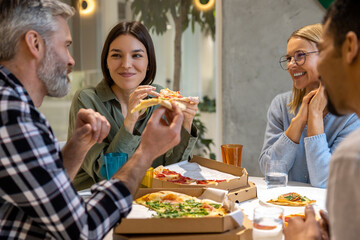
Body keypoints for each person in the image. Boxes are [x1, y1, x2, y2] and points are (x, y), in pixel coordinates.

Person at [0, 1, 184, 239]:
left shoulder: (15, 106)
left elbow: (46, 197)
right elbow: (83, 229)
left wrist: (76, 147)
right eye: (65, 46)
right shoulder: (11, 115)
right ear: (35, 44)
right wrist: (145, 152)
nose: (71, 60)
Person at [68, 21, 199, 190]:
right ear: (106, 62)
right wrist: (130, 121)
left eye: (136, 55)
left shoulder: (160, 98)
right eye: (116, 55)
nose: (126, 64)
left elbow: (172, 171)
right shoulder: (87, 100)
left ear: (149, 63)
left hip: (146, 200)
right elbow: (106, 174)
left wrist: (186, 124)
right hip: (94, 200)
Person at [284, 0, 360, 239]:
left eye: (324, 50)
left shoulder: (352, 155)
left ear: (350, 47)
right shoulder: (281, 104)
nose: (321, 70)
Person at [258, 23, 360, 188]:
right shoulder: (281, 104)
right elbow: (269, 170)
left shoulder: (352, 114)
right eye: (289, 58)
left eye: (300, 55)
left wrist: (315, 115)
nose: (291, 64)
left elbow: (325, 181)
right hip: (285, 206)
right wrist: (298, 121)